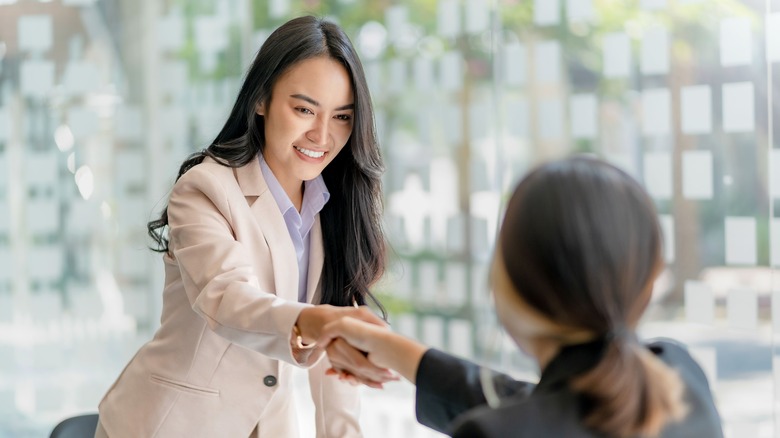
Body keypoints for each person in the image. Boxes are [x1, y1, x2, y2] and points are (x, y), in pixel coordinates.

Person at [96, 16, 395, 438]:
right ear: (261, 100)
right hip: (169, 425)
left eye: (342, 116)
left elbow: (334, 362)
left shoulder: (334, 204)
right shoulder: (205, 188)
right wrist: (315, 322)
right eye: (304, 109)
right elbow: (227, 299)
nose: (323, 135)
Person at [319, 156, 724, 437]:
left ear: (509, 285)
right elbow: (544, 409)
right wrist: (397, 351)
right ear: (649, 279)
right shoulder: (681, 377)